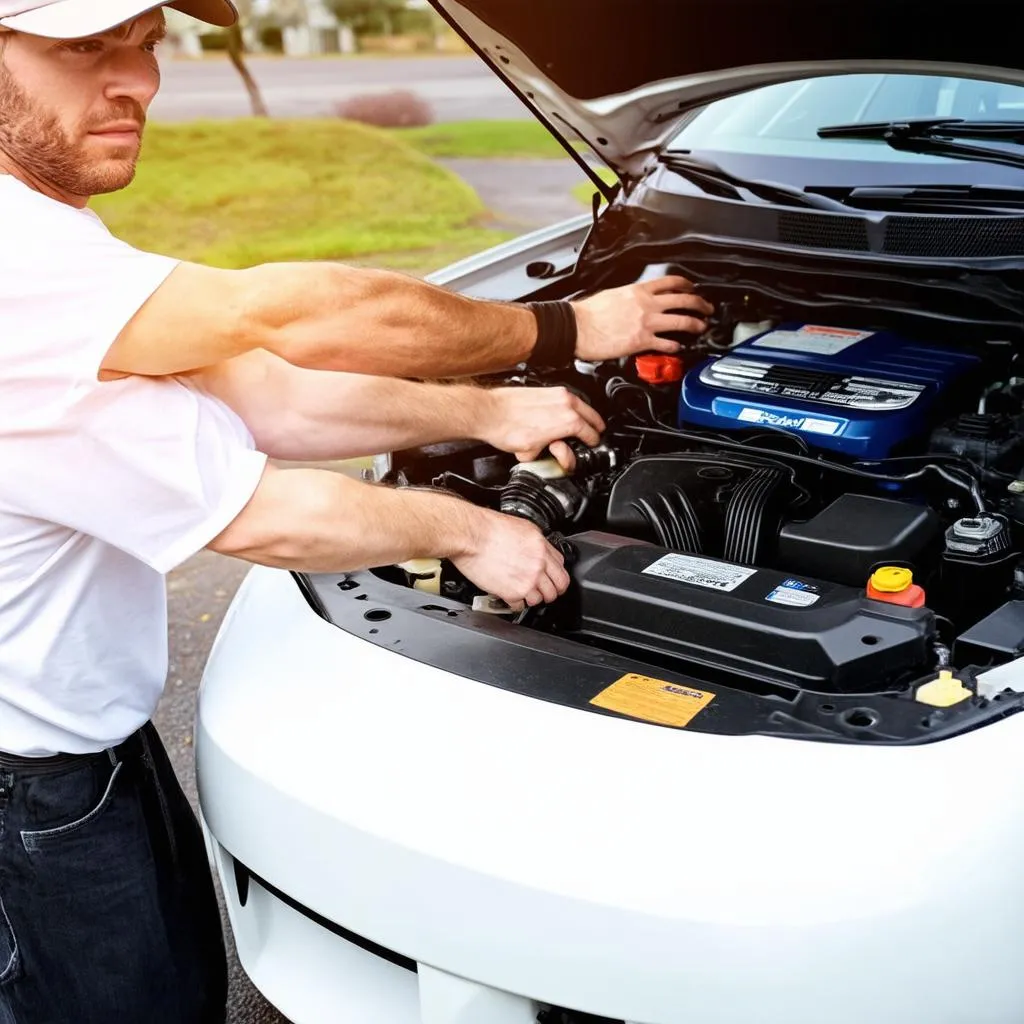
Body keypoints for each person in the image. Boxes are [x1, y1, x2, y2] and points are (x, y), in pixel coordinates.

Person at [0, 1, 714, 1020]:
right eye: (83, 48)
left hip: (80, 746)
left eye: (148, 44)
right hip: (28, 786)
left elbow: (271, 392)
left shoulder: (44, 233)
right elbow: (268, 501)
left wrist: (489, 412)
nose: (139, 83)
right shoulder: (25, 270)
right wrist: (479, 514)